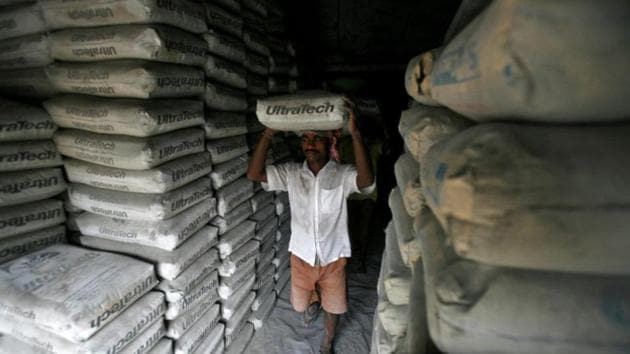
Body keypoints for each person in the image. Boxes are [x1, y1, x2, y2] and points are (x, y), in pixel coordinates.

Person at [246, 103, 375, 354]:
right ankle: (313, 300)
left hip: (333, 257)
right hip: (301, 256)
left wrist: (355, 133)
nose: (309, 145)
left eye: (316, 139)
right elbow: (254, 173)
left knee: (335, 307)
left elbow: (366, 180)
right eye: (305, 139)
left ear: (330, 143)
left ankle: (327, 343)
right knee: (299, 304)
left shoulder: (342, 174)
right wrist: (269, 133)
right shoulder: (292, 174)